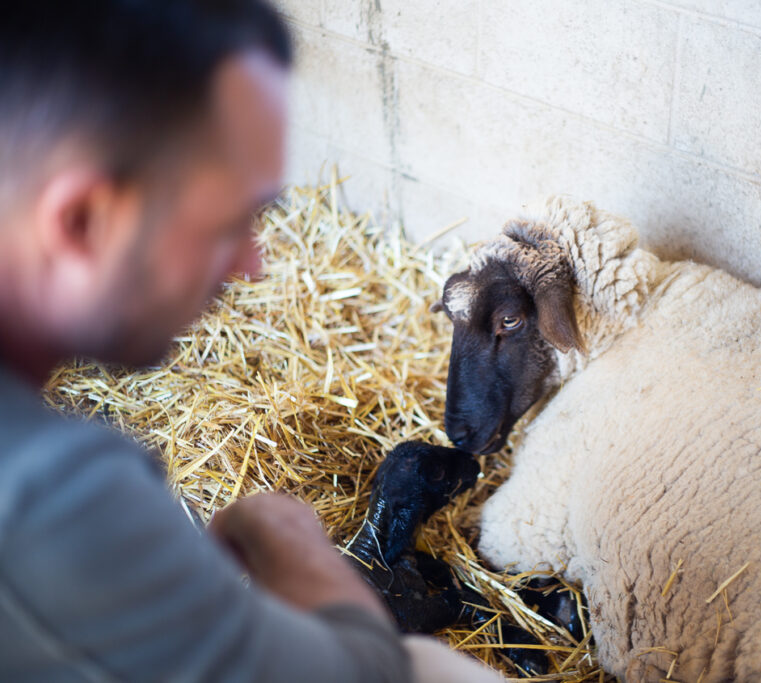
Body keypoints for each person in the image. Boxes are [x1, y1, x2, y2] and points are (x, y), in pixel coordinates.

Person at [0, 2, 503, 681]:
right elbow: (358, 673)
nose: (252, 263)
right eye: (230, 222)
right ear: (83, 219)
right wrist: (295, 544)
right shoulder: (61, 494)